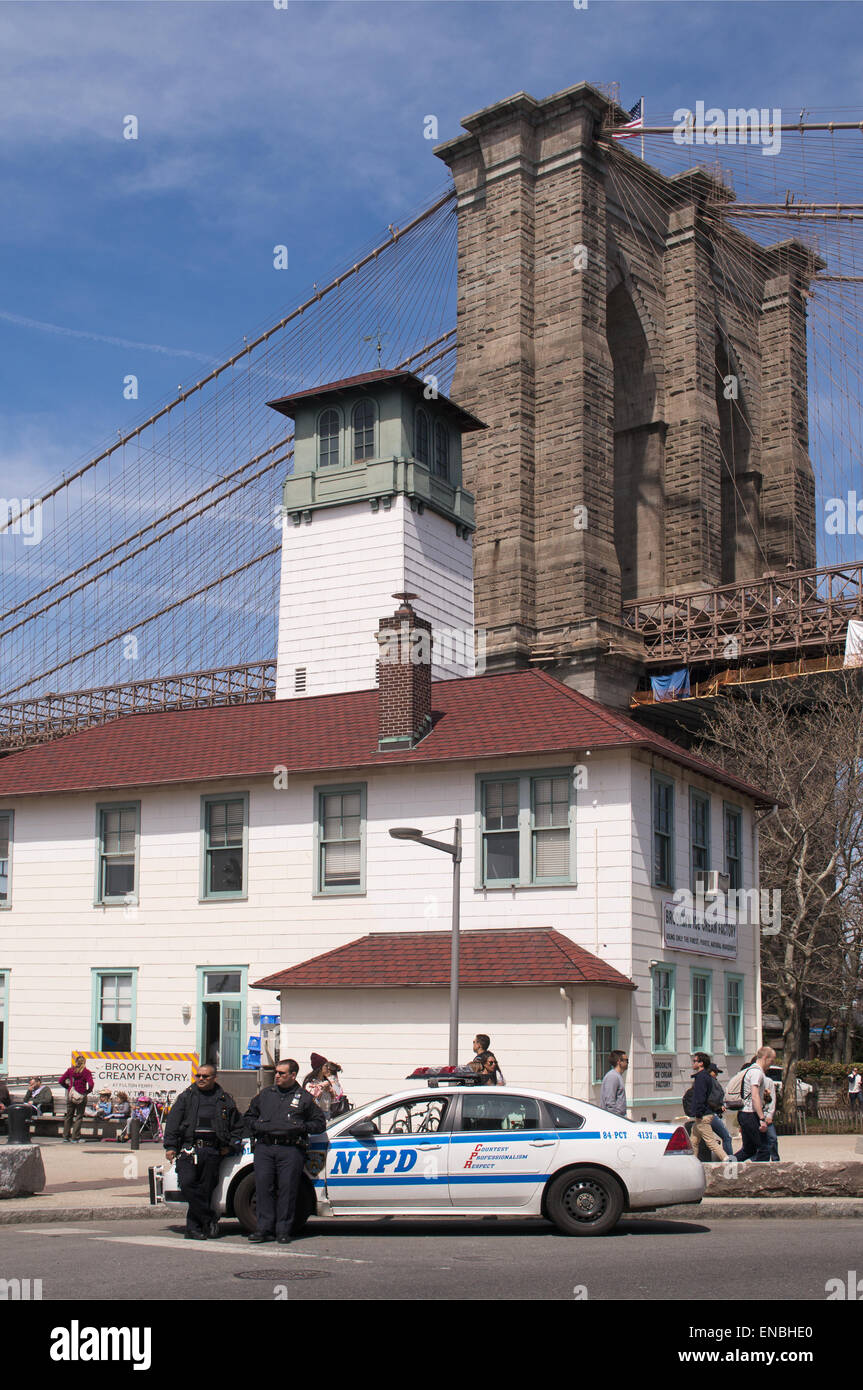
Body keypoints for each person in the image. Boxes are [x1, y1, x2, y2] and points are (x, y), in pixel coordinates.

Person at [244, 1058, 326, 1245]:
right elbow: (248, 1116)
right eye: (276, 1073)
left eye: (282, 1073)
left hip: (290, 1149)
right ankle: (264, 1229)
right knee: (264, 1188)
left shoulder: (304, 1097)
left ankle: (283, 1230)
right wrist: (257, 1126)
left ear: (293, 1075)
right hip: (265, 1147)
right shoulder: (266, 1094)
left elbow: (319, 1123)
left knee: (287, 1190)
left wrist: (300, 1127)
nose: (277, 1076)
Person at [163, 1064, 244, 1240]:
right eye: (198, 1076)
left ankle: (194, 1229)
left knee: (206, 1189)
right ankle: (209, 1218)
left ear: (214, 1078)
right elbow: (173, 1123)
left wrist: (230, 1145)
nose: (200, 1079)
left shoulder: (224, 1099)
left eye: (205, 1076)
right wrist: (170, 1146)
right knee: (187, 1184)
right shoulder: (186, 1097)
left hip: (212, 1150)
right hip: (189, 1149)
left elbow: (237, 1126)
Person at [734, 1046, 775, 1163]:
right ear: (765, 1058)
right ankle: (760, 1178)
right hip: (750, 1114)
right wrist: (762, 1118)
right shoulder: (757, 1073)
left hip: (743, 1114)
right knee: (764, 1148)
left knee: (748, 1150)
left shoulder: (749, 1070)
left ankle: (727, 1167)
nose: (771, 1065)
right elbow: (755, 1096)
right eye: (771, 1061)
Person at [687, 1053, 727, 1162]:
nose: (693, 1063)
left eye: (695, 1061)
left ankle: (727, 1160)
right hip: (704, 1114)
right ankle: (692, 1163)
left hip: (703, 1116)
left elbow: (701, 1096)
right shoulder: (706, 1077)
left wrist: (698, 1113)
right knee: (693, 1141)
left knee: (711, 1142)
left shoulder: (701, 1077)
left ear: (701, 1063)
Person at [59, 1055, 95, 1142]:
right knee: (79, 1116)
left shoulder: (70, 1070)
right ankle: (75, 1137)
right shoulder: (86, 1072)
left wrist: (68, 1088)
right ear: (84, 1062)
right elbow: (91, 1084)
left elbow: (60, 1080)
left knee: (69, 1116)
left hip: (71, 1095)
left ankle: (65, 1136)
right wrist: (87, 1091)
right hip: (81, 1096)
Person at [706, 1064, 733, 1157]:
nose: (716, 1075)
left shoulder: (705, 1081)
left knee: (699, 1141)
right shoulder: (711, 1082)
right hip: (711, 1113)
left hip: (708, 1113)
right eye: (715, 1072)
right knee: (727, 1137)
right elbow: (711, 1099)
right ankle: (729, 1159)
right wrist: (718, 1107)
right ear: (710, 1071)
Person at [599, 1049, 628, 1117]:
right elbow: (609, 1102)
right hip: (614, 1119)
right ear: (619, 1062)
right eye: (626, 1060)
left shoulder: (617, 1076)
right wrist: (615, 1118)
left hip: (620, 1118)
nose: (627, 1062)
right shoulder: (612, 1076)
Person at [763, 1074, 780, 1161]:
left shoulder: (768, 1081)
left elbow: (772, 1098)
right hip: (755, 1115)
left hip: (766, 1114)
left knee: (772, 1138)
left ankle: (775, 1160)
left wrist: (770, 1115)